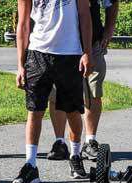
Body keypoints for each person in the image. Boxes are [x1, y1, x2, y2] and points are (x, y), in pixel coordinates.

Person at [12, 0, 93, 183]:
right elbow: (23, 23)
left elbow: (84, 16)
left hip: (70, 53)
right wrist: (20, 64)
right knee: (34, 111)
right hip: (37, 53)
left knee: (72, 110)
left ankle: (75, 155)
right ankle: (30, 165)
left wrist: (87, 52)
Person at [46, 0, 119, 161]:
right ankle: (60, 143)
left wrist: (109, 31)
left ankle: (90, 141)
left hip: (92, 44)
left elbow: (112, 3)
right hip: (60, 45)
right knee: (56, 94)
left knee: (93, 91)